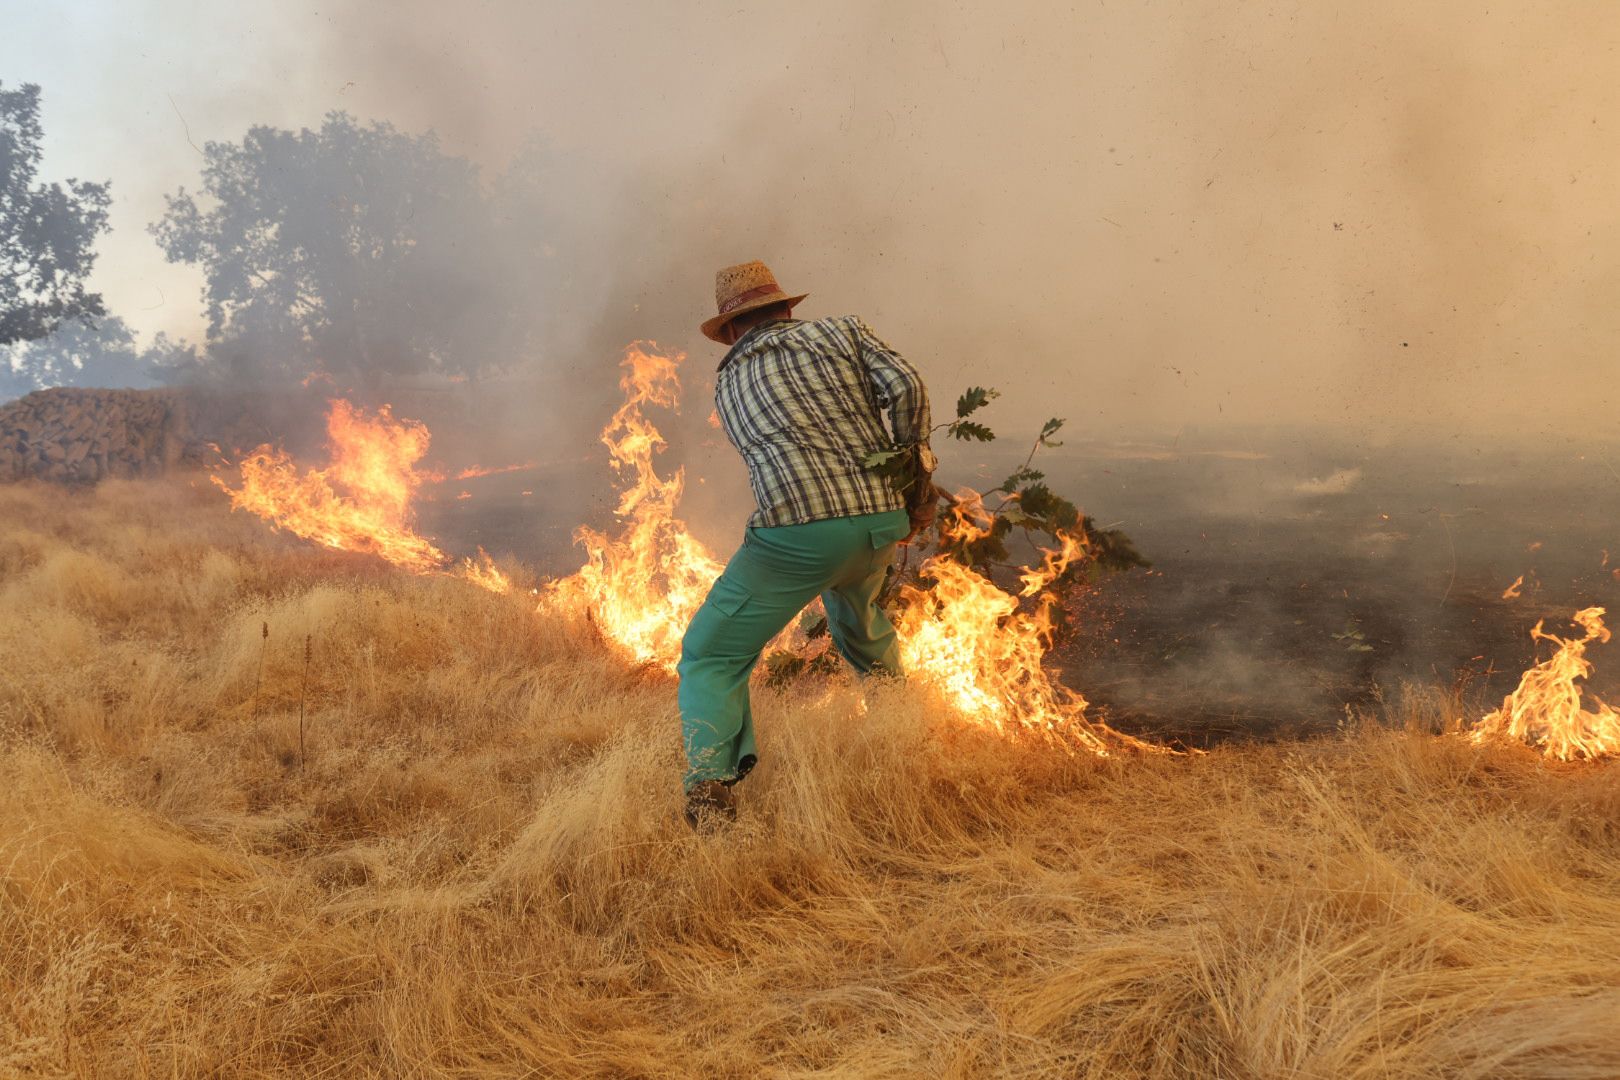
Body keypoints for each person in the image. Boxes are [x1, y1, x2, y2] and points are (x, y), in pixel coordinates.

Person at [679, 260, 937, 828]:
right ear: (787, 308)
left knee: (711, 656)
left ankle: (709, 789)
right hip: (877, 524)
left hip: (797, 535)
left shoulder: (726, 381)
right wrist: (916, 475)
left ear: (731, 330)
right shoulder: (842, 330)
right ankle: (909, 751)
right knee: (862, 630)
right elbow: (906, 384)